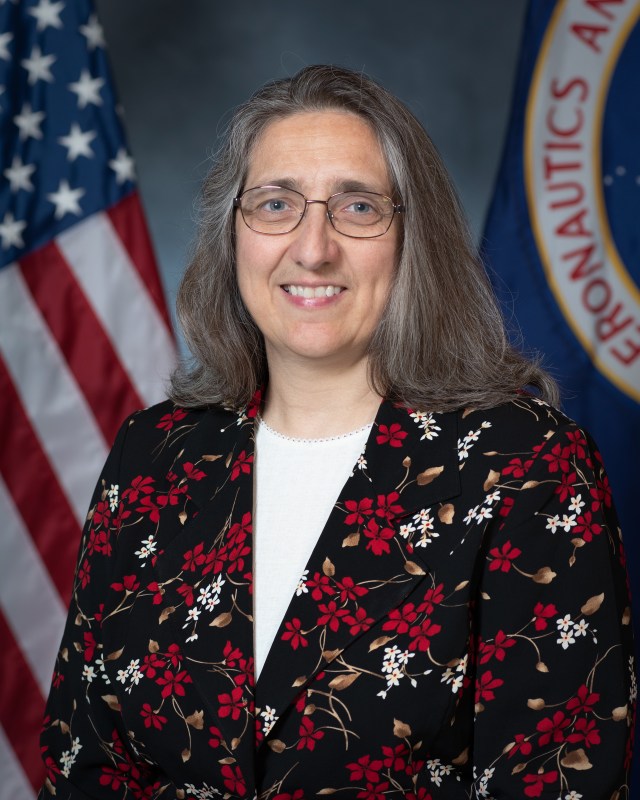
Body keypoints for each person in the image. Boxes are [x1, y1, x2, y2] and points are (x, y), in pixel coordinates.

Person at [39, 65, 635, 800]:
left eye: (357, 206)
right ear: (234, 236)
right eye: (276, 203)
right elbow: (83, 761)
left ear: (414, 239)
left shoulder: (526, 463)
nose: (313, 247)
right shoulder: (155, 456)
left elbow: (553, 779)